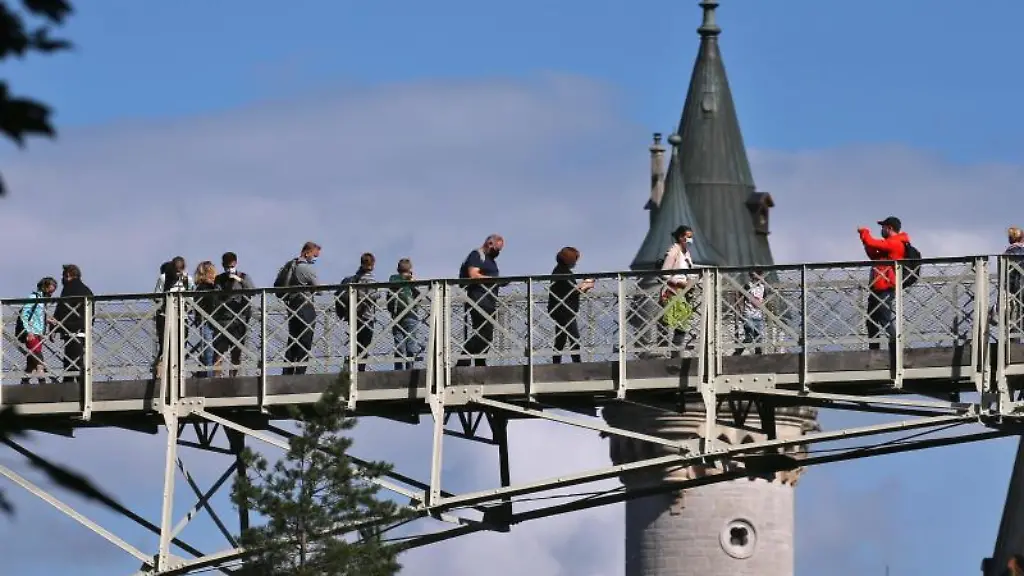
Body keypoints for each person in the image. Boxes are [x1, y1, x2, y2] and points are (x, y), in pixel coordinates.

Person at [857, 216, 911, 350]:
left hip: (886, 287)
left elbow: (872, 242)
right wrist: (865, 241)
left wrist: (864, 232)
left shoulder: (895, 243)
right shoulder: (889, 244)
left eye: (883, 227)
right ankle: (874, 350)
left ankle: (896, 350)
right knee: (871, 321)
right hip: (878, 287)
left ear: (889, 228)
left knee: (884, 319)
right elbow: (874, 255)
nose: (882, 229)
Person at [457, 234, 504, 367]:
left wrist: (500, 282)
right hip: (479, 298)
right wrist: (494, 280)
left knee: (486, 333)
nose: (498, 252)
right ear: (490, 243)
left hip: (489, 300)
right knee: (484, 333)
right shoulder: (477, 255)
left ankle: (479, 361)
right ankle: (464, 360)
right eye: (497, 249)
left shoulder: (490, 260)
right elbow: (473, 274)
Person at [275, 242, 321, 375]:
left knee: (293, 339)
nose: (315, 259)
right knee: (305, 340)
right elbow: (319, 290)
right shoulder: (306, 268)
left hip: (292, 305)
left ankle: (287, 371)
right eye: (314, 256)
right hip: (305, 306)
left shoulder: (290, 265)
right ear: (307, 253)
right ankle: (300, 372)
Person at [547, 247, 594, 364]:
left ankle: (556, 362)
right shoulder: (563, 272)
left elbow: (571, 290)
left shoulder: (559, 270)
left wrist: (583, 286)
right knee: (574, 337)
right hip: (564, 310)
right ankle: (576, 363)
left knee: (561, 338)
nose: (576, 262)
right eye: (575, 259)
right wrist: (586, 285)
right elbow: (572, 291)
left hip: (560, 309)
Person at [213, 252, 255, 377]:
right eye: (226, 267)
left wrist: (239, 280)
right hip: (223, 320)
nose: (229, 269)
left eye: (231, 266)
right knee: (218, 352)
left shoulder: (244, 276)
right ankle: (217, 379)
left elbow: (252, 291)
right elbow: (216, 295)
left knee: (236, 352)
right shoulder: (220, 279)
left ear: (236, 263)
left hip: (239, 320)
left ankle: (234, 378)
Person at [660, 225, 697, 357]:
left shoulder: (686, 253)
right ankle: (675, 352)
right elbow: (665, 273)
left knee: (683, 321)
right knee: (680, 322)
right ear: (681, 237)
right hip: (675, 290)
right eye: (688, 236)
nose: (690, 239)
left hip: (685, 291)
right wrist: (678, 282)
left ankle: (676, 350)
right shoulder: (673, 251)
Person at [53, 264, 93, 384]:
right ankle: (79, 386)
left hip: (70, 329)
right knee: (76, 360)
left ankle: (71, 388)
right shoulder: (86, 290)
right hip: (83, 329)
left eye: (63, 276)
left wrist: (55, 327)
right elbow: (92, 312)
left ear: (68, 275)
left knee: (71, 362)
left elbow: (61, 308)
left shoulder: (68, 288)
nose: (62, 279)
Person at [339, 252, 378, 372]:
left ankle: (350, 368)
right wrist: (378, 294)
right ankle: (360, 371)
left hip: (354, 316)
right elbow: (373, 295)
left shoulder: (354, 277)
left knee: (355, 345)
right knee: (364, 346)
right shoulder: (369, 278)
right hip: (366, 316)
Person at [17, 277, 58, 384]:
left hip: (39, 333)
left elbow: (37, 315)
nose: (51, 294)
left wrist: (48, 320)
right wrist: (28, 331)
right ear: (44, 287)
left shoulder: (43, 301)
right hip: (31, 332)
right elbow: (24, 314)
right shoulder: (34, 297)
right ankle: (44, 381)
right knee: (38, 356)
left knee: (32, 361)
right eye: (50, 291)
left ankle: (24, 382)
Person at [387, 258, 423, 370]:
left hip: (396, 315)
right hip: (411, 314)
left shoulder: (393, 278)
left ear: (398, 269)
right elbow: (420, 297)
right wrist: (411, 281)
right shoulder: (409, 280)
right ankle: (410, 369)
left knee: (399, 344)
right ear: (410, 269)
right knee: (411, 344)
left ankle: (398, 369)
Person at [191, 261, 219, 378]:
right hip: (208, 321)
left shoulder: (211, 287)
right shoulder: (203, 287)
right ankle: (209, 374)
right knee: (209, 349)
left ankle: (208, 373)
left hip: (213, 321)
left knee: (212, 350)